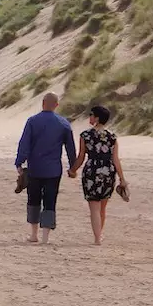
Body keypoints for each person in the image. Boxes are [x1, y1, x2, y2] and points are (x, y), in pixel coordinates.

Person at [15, 92, 76, 245]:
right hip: (54, 170)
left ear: (42, 103)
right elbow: (70, 148)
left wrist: (19, 162)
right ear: (56, 105)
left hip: (35, 168)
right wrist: (73, 167)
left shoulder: (32, 121)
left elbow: (24, 144)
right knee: (50, 201)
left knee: (33, 200)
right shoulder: (63, 123)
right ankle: (45, 238)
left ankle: (33, 234)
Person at [68, 104, 127, 246]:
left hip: (92, 171)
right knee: (102, 207)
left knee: (94, 207)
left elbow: (81, 156)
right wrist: (122, 179)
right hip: (108, 172)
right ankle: (99, 236)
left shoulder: (86, 135)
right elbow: (115, 159)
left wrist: (73, 170)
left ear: (97, 118)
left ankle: (97, 238)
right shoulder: (112, 137)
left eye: (91, 115)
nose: (90, 117)